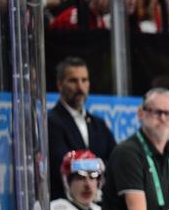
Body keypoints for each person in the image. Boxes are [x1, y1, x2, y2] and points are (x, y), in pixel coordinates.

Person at [47, 57, 117, 201]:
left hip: (98, 207)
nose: (80, 87)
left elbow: (115, 161)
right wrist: (99, 165)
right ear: (60, 85)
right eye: (73, 81)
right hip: (64, 208)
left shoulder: (99, 124)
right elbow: (64, 164)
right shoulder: (50, 122)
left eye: (84, 80)